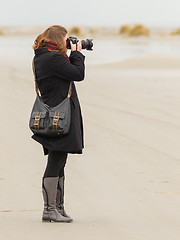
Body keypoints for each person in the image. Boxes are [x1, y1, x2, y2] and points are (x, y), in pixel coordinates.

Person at [31, 25, 85, 223]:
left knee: (59, 161)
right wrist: (76, 53)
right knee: (56, 161)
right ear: (58, 40)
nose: (67, 43)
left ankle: (57, 208)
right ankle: (50, 210)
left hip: (54, 115)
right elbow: (77, 74)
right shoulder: (52, 58)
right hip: (58, 118)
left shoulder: (43, 56)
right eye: (65, 39)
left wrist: (70, 54)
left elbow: (65, 73)